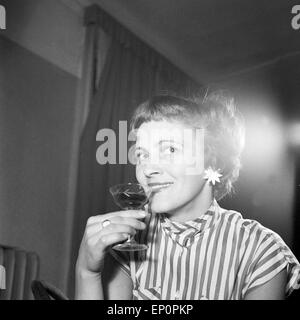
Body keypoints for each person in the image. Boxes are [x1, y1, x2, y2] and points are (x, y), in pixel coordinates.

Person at [75, 92, 300, 300]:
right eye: (142, 154)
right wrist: (87, 272)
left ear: (212, 161)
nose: (147, 169)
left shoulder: (261, 248)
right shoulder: (129, 238)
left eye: (170, 149)